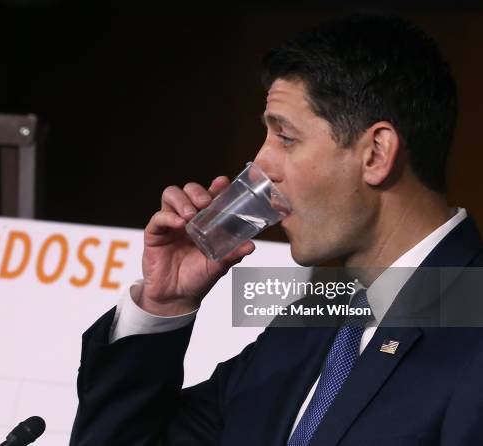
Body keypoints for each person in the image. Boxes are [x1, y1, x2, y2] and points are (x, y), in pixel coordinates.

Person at [70, 14, 483, 445]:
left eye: (286, 138)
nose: (261, 165)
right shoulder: (307, 328)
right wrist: (165, 302)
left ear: (376, 154)